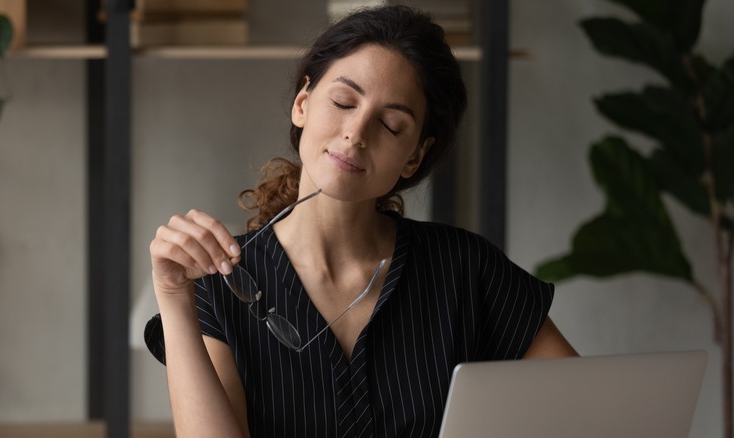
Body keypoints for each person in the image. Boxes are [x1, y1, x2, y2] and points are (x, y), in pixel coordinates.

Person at [145, 5, 577, 438]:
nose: (357, 132)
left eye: (390, 125)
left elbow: (586, 409)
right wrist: (171, 293)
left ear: (415, 156)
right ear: (302, 103)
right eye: (343, 102)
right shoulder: (219, 283)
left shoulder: (465, 267)